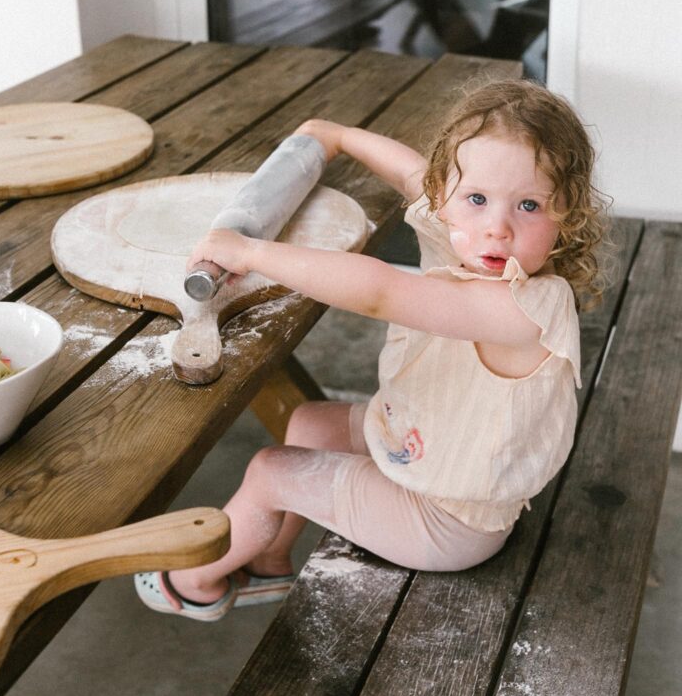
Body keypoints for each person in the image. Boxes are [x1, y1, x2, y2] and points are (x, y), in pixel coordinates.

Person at [135, 80, 610, 621]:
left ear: (568, 215)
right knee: (308, 422)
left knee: (271, 470)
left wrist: (251, 251)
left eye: (529, 205)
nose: (496, 229)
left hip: (447, 522)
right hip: (415, 443)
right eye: (477, 198)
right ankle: (268, 561)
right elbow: (412, 173)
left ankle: (193, 584)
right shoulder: (463, 235)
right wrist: (337, 136)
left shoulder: (526, 309)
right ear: (446, 194)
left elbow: (381, 291)